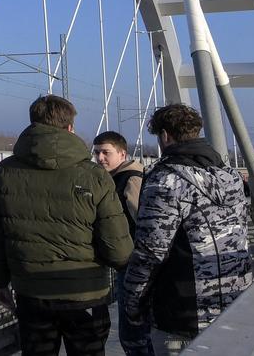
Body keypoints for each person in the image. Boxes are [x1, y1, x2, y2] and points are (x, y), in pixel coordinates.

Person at [0, 95, 132, 355]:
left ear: (33, 124)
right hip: (84, 292)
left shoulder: (5, 172)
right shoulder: (94, 175)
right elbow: (118, 248)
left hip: (31, 292)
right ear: (69, 128)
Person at [121, 104, 254, 354]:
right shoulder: (230, 177)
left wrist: (132, 304)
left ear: (164, 136)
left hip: (183, 311)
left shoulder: (165, 181)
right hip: (234, 301)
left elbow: (151, 252)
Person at [92, 131, 151, 356]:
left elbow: (141, 221)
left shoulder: (131, 178)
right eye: (97, 153)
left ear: (122, 153)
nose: (100, 158)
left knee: (132, 332)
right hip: (128, 261)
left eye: (106, 152)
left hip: (133, 262)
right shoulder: (117, 177)